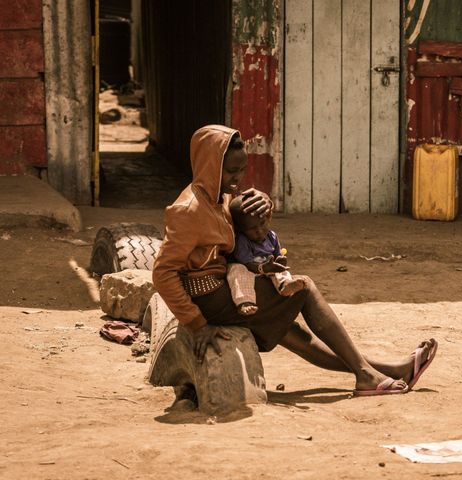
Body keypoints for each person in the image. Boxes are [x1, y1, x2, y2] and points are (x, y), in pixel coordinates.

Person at [152, 124, 437, 396]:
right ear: (210, 167)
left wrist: (264, 199)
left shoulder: (219, 194)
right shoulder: (187, 210)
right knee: (304, 288)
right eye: (231, 172)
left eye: (242, 170)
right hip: (212, 298)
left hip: (231, 287)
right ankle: (364, 374)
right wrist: (197, 324)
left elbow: (243, 215)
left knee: (292, 332)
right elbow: (163, 273)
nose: (237, 179)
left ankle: (391, 369)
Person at [226, 193, 306, 316]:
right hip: (249, 268)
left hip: (267, 267)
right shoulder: (242, 240)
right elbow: (246, 263)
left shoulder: (272, 236)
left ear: (268, 218)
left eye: (262, 223)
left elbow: (277, 255)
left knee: (279, 270)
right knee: (238, 271)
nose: (259, 230)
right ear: (241, 229)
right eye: (251, 228)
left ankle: (285, 285)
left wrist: (279, 262)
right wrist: (262, 268)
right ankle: (245, 302)